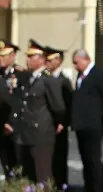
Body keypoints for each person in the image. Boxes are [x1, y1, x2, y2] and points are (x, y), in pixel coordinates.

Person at [15, 39, 65, 184]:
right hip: (27, 132)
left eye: (32, 57)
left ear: (42, 59)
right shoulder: (31, 79)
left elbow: (58, 107)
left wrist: (55, 123)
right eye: (28, 56)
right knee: (29, 174)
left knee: (42, 174)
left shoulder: (48, 80)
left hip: (41, 133)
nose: (28, 60)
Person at [71, 49, 103, 192]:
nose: (75, 66)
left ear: (85, 60)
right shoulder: (81, 76)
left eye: (76, 63)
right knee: (86, 159)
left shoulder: (99, 75)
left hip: (94, 125)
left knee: (94, 159)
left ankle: (99, 188)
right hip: (82, 125)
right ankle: (89, 186)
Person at [44, 45, 73, 189]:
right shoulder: (45, 79)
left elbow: (68, 104)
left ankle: (61, 185)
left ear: (58, 61)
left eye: (50, 60)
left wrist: (63, 122)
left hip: (59, 126)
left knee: (59, 156)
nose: (47, 63)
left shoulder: (64, 81)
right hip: (47, 124)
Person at [0, 39, 25, 179]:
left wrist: (11, 122)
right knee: (6, 164)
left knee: (16, 163)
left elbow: (20, 101)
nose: (0, 58)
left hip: (14, 126)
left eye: (4, 55)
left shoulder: (20, 74)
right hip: (1, 124)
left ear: (13, 56)